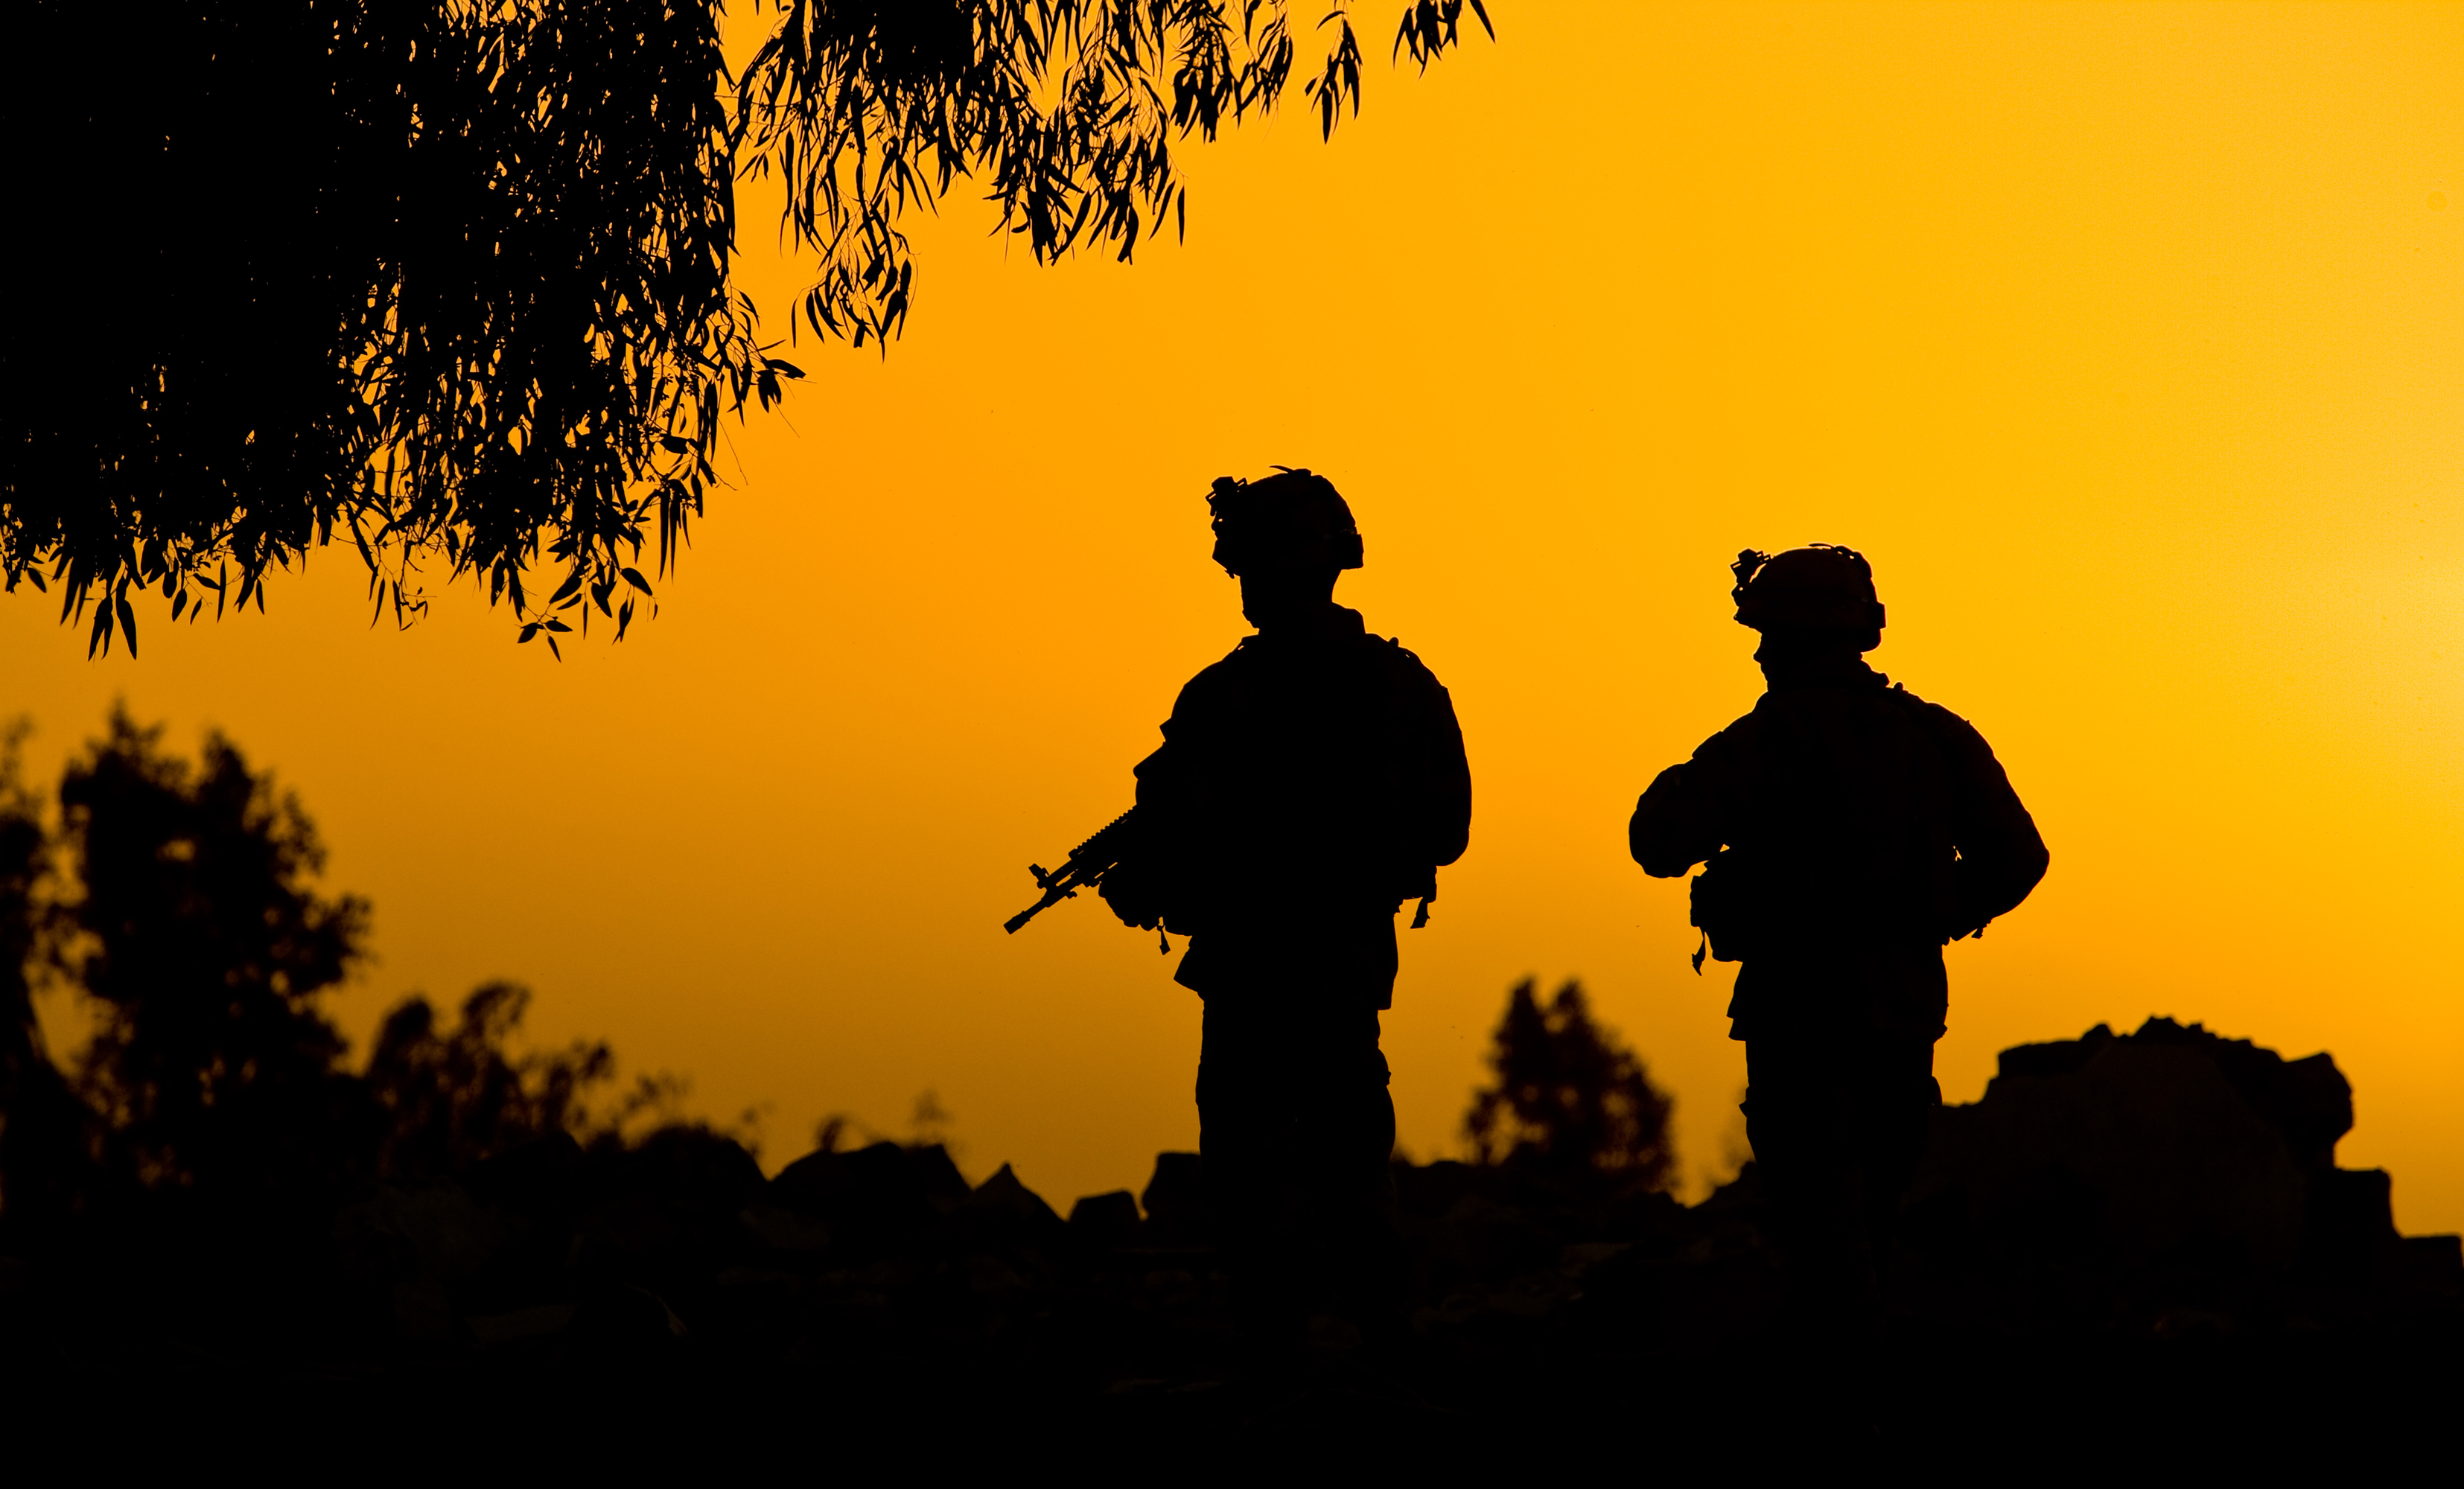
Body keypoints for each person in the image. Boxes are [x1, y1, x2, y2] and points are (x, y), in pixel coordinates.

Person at [1629, 545, 2047, 1344]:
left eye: (1766, 634)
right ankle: (1852, 1393)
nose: (1756, 652)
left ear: (1790, 637)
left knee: (1819, 1224)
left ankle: (1838, 1408)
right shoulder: (1934, 736)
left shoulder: (1761, 741)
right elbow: (2018, 857)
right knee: (1870, 1216)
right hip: (1903, 1011)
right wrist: (1930, 914)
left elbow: (1657, 843)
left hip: (1797, 1016)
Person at [1101, 468, 1471, 1349]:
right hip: (1347, 962)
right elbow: (1446, 829)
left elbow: (1170, 835)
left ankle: (1278, 1348)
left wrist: (1147, 884)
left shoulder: (1225, 696)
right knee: (1351, 1151)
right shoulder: (1404, 686)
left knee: (1248, 1161)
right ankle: (1377, 1338)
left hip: (1253, 969)